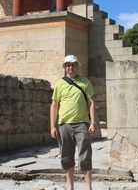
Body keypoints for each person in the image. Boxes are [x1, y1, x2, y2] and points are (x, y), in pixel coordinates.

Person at [50, 55, 96, 190]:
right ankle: (70, 186)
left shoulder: (85, 82)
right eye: (68, 65)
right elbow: (54, 105)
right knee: (66, 156)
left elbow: (91, 102)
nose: (71, 67)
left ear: (77, 66)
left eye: (73, 65)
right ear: (65, 67)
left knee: (85, 156)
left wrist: (93, 122)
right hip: (64, 125)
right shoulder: (60, 84)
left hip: (82, 124)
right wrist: (53, 126)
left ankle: (89, 187)